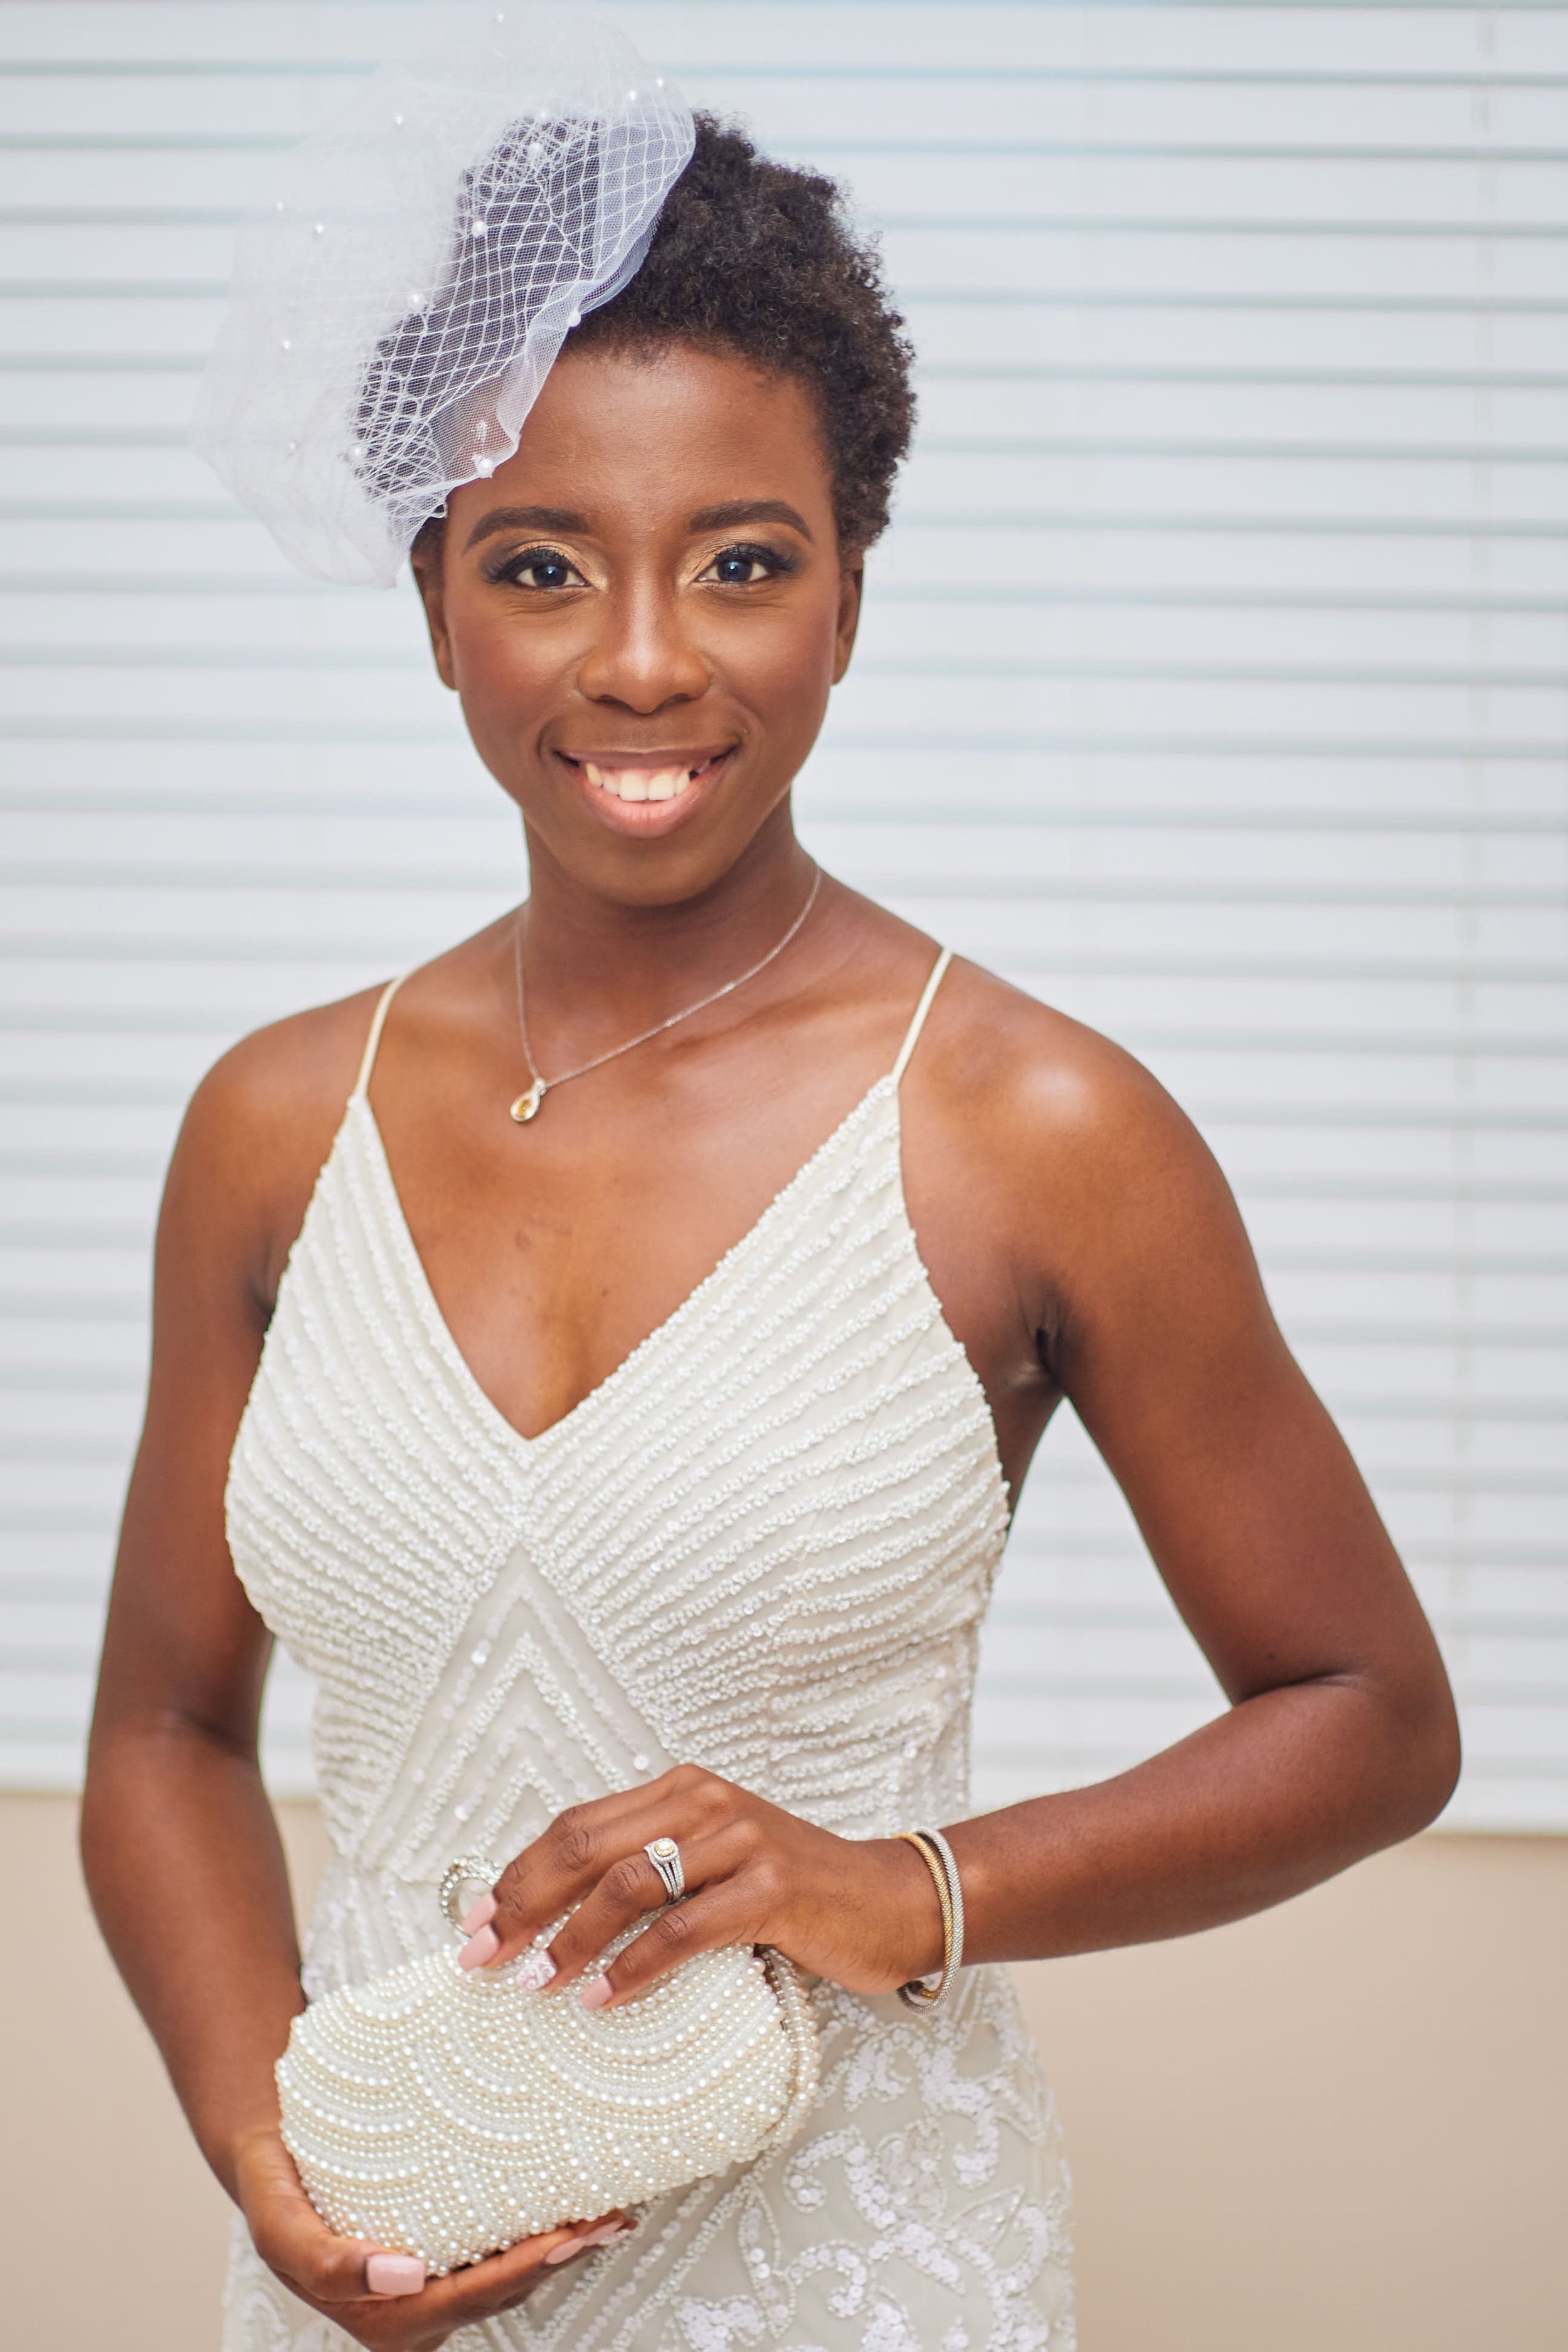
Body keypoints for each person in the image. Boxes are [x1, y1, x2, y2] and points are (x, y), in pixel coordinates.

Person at [82, 30, 1459, 2352]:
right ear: (435, 605)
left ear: (846, 597)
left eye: (740, 564)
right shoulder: (273, 1122)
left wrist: (901, 1886)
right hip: (375, 2248)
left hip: (855, 2266)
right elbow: (161, 1737)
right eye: (541, 566)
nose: (642, 661)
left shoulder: (1035, 1128)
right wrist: (271, 2159)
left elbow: (1367, 1713)